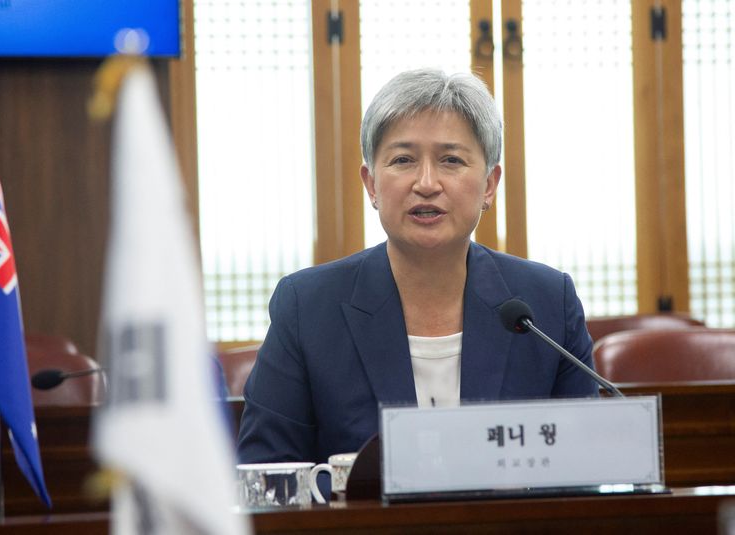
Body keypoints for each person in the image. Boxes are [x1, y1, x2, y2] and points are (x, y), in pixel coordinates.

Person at [237, 68, 597, 470]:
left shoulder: (546, 303)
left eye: (451, 160)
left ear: (490, 185)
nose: (426, 183)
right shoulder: (307, 307)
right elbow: (266, 474)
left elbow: (583, 467)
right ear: (371, 184)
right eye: (403, 159)